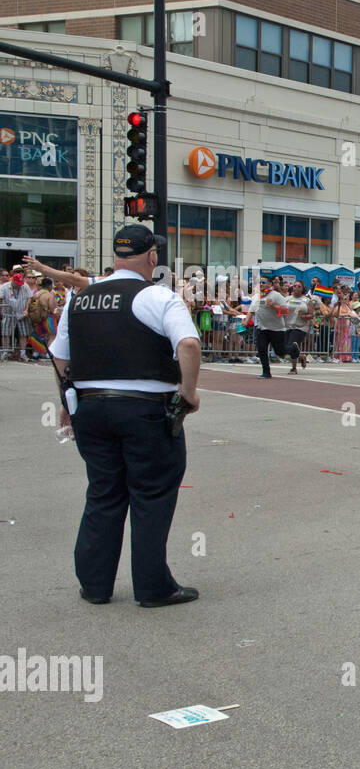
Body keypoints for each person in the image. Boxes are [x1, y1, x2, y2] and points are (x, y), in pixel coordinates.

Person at [48, 224, 201, 607]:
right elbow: (187, 344)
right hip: (145, 409)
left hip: (92, 408)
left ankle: (95, 585)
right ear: (151, 257)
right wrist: (188, 393)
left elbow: (60, 355)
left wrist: (67, 404)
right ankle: (153, 587)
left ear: (116, 256)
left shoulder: (78, 299)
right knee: (151, 495)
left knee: (103, 493)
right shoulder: (157, 296)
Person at [252, 275, 301, 379]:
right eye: (259, 283)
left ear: (270, 284)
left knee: (280, 352)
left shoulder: (276, 295)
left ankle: (293, 349)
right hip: (262, 328)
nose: (261, 284)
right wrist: (246, 321)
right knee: (261, 349)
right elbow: (251, 310)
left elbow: (285, 310)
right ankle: (266, 372)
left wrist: (273, 305)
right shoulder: (257, 296)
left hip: (276, 329)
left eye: (263, 282)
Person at [1, 266, 34, 362]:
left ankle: (22, 353)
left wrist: (26, 310)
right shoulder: (5, 287)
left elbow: (29, 298)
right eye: (18, 283)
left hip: (22, 312)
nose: (20, 285)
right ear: (13, 281)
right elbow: (1, 298)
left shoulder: (25, 286)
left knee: (23, 333)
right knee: (6, 333)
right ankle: (5, 352)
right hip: (8, 313)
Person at [284, 282, 314, 374]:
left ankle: (294, 368)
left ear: (302, 289)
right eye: (294, 286)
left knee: (292, 345)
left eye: (299, 286)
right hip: (287, 326)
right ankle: (301, 356)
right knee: (284, 350)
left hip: (300, 327)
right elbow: (281, 310)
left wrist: (304, 316)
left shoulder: (306, 300)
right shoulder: (287, 299)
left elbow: (311, 315)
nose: (296, 287)